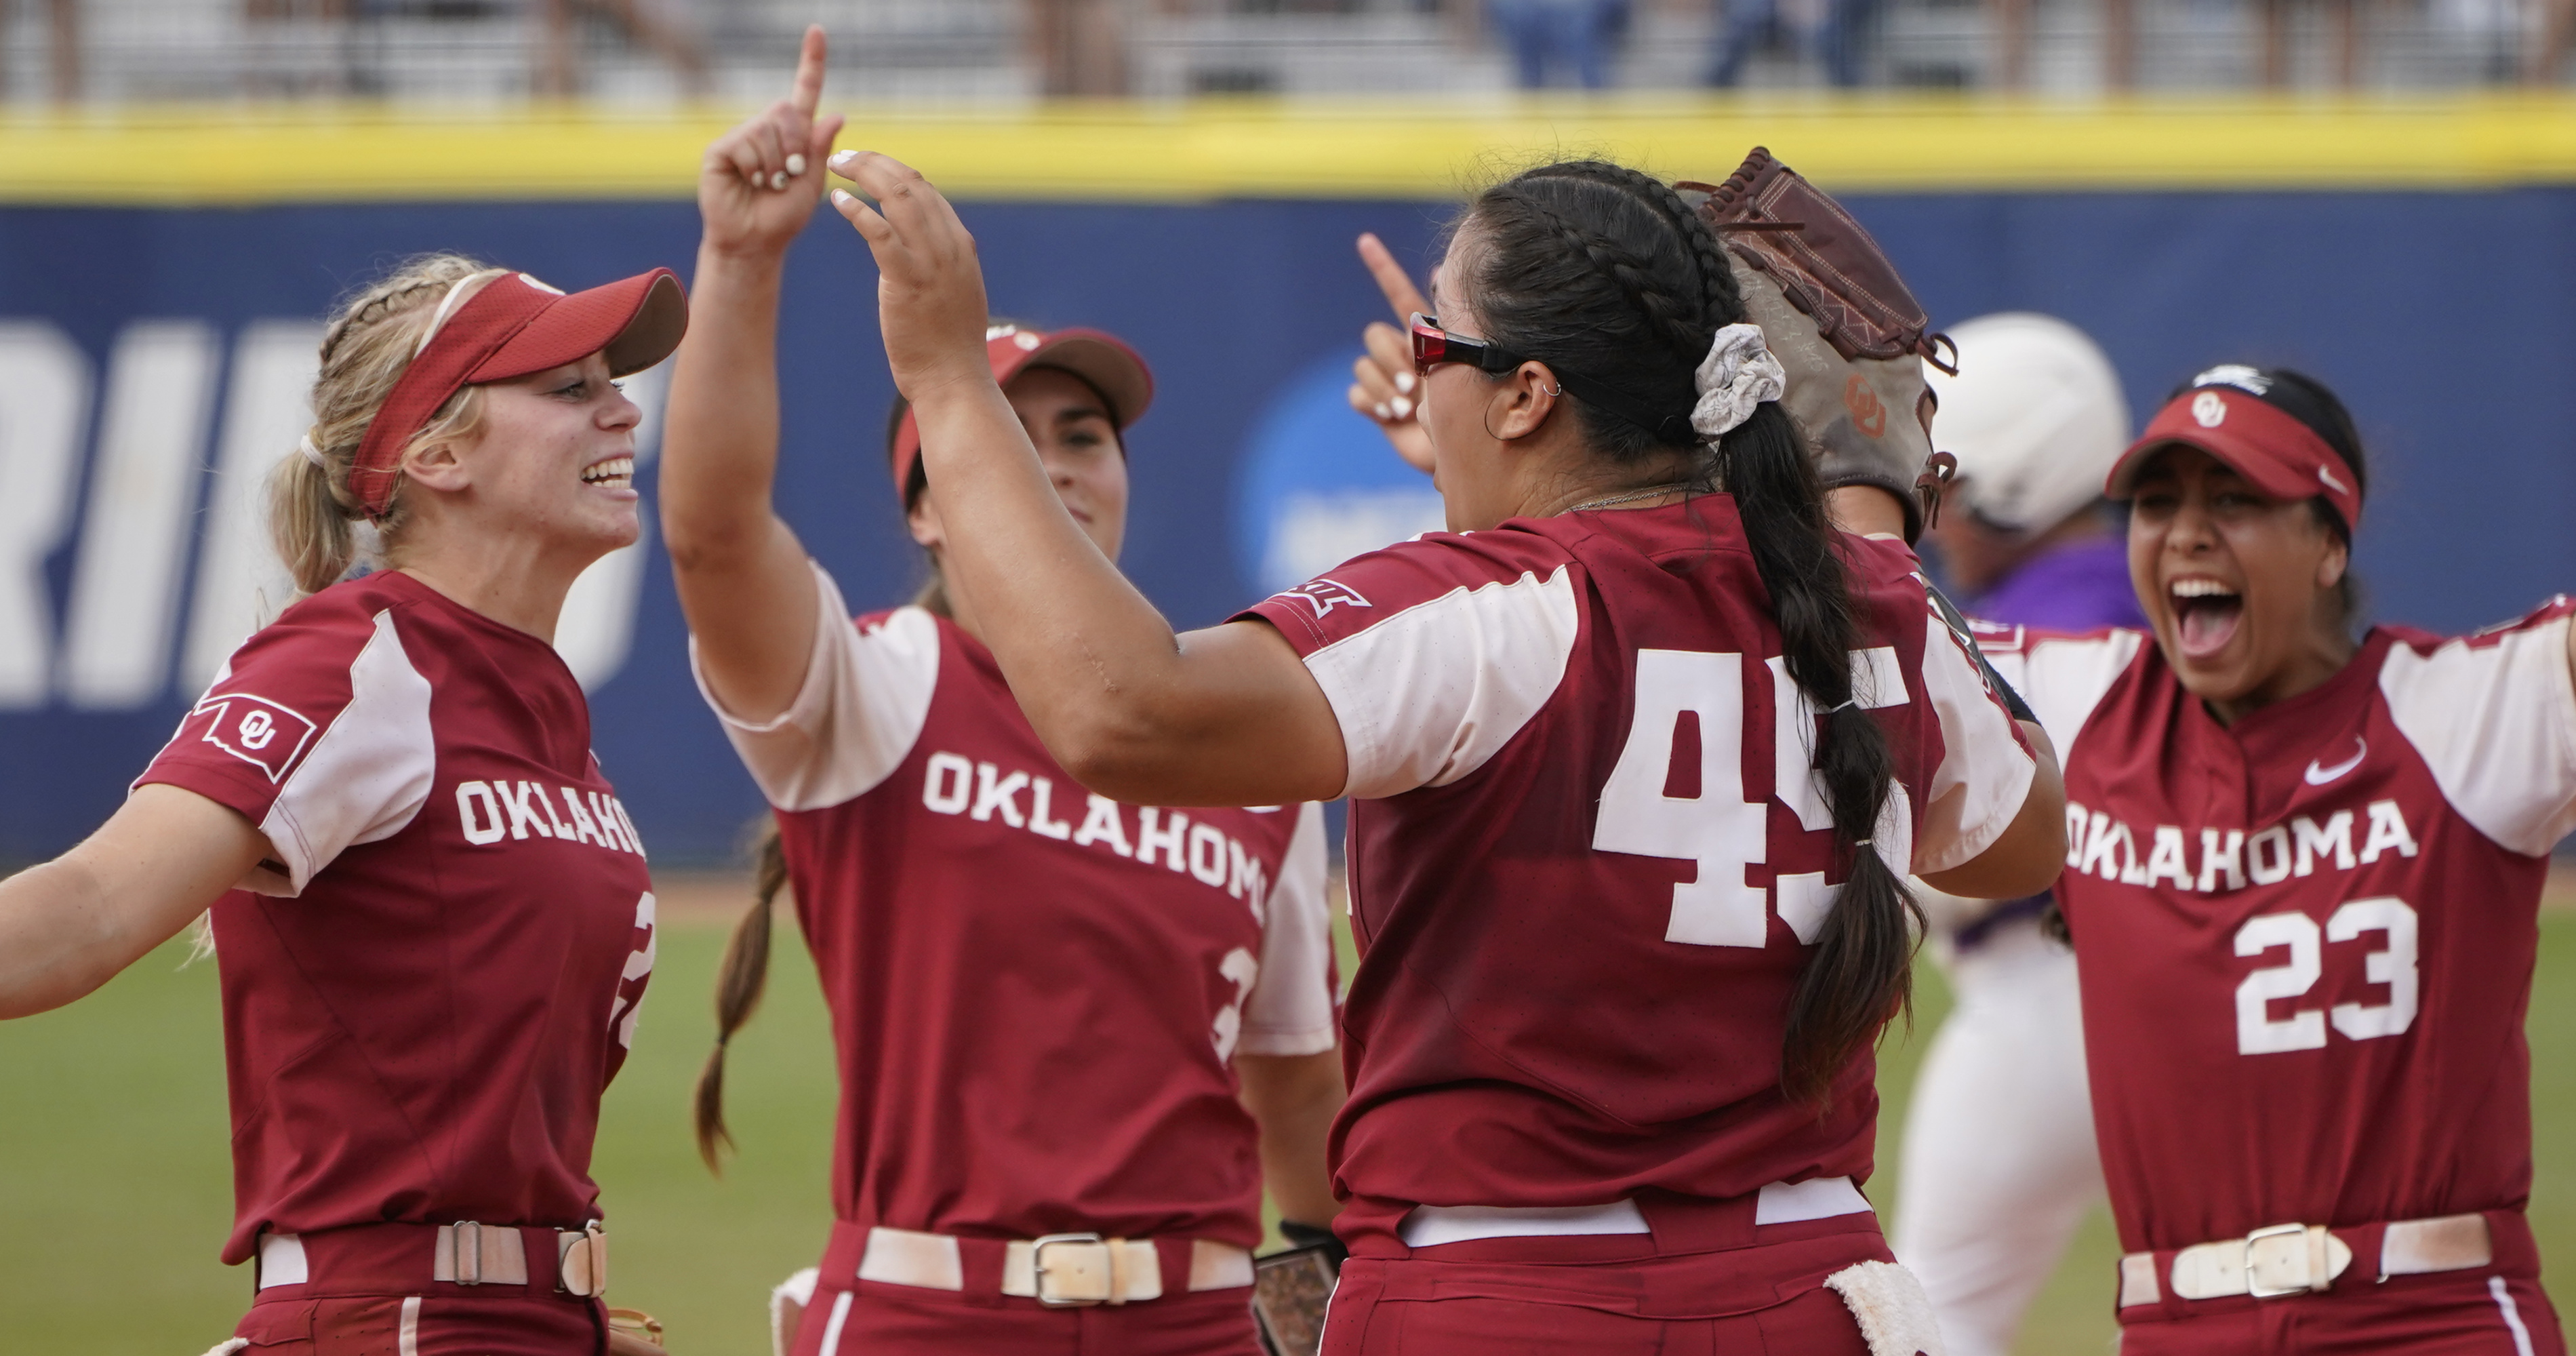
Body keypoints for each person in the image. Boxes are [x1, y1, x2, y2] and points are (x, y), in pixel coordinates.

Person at [822, 141, 2068, 1351]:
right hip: (1812, 1290)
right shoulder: (1863, 601)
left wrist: (946, 378)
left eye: (1440, 346)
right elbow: (2016, 843)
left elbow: (1122, 710)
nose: (1420, 379)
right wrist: (1867, 525)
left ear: (1527, 395)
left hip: (1511, 1294)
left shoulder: (1490, 611)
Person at [660, 31, 1344, 1356]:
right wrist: (743, 264)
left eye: (1083, 437)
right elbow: (713, 538)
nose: (1054, 473)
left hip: (1195, 1321)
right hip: (934, 1311)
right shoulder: (876, 687)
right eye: (1006, 443)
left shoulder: (1236, 727)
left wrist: (1329, 1274)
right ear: (927, 509)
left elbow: (1297, 1086)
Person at [0, 252, 686, 1355]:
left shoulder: (543, 718)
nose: (622, 411)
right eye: (570, 389)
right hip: (391, 1326)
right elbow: (88, 905)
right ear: (435, 452)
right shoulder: (355, 660)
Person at [1977, 363, 2571, 1354]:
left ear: (2330, 544)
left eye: (2238, 500)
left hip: (2430, 1318)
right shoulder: (2083, 708)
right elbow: (1857, 636)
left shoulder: (2464, 713)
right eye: (2157, 502)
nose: (2188, 532)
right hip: (2178, 1328)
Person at [1891, 311, 2134, 1356]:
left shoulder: (2010, 637)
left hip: (2049, 1001)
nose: (1934, 516)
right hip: (2208, 988)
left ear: (2020, 473)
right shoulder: (2180, 600)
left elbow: (1957, 869)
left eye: (1947, 486)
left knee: (1928, 1322)